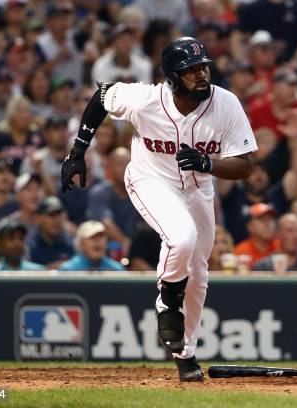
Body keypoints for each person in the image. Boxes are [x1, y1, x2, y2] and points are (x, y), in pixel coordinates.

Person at [60, 37, 257, 382]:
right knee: (181, 239)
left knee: (198, 274)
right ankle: (167, 302)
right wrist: (77, 152)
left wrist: (208, 163)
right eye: (190, 70)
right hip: (151, 180)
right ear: (172, 76)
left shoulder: (225, 103)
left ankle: (186, 354)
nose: (201, 74)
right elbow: (103, 95)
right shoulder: (146, 99)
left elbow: (246, 165)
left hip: (198, 188)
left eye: (203, 66)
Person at [59, 221, 126, 272]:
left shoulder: (117, 270)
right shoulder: (68, 270)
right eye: (92, 237)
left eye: (101, 237)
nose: (97, 241)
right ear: (81, 244)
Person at [26, 196, 74, 268]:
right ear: (39, 218)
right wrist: (48, 270)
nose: (56, 220)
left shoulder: (69, 242)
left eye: (59, 215)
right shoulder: (29, 245)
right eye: (51, 215)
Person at [233, 203, 279, 267]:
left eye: (271, 219)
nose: (268, 223)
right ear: (250, 226)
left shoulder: (281, 248)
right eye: (262, 219)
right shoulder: (241, 252)